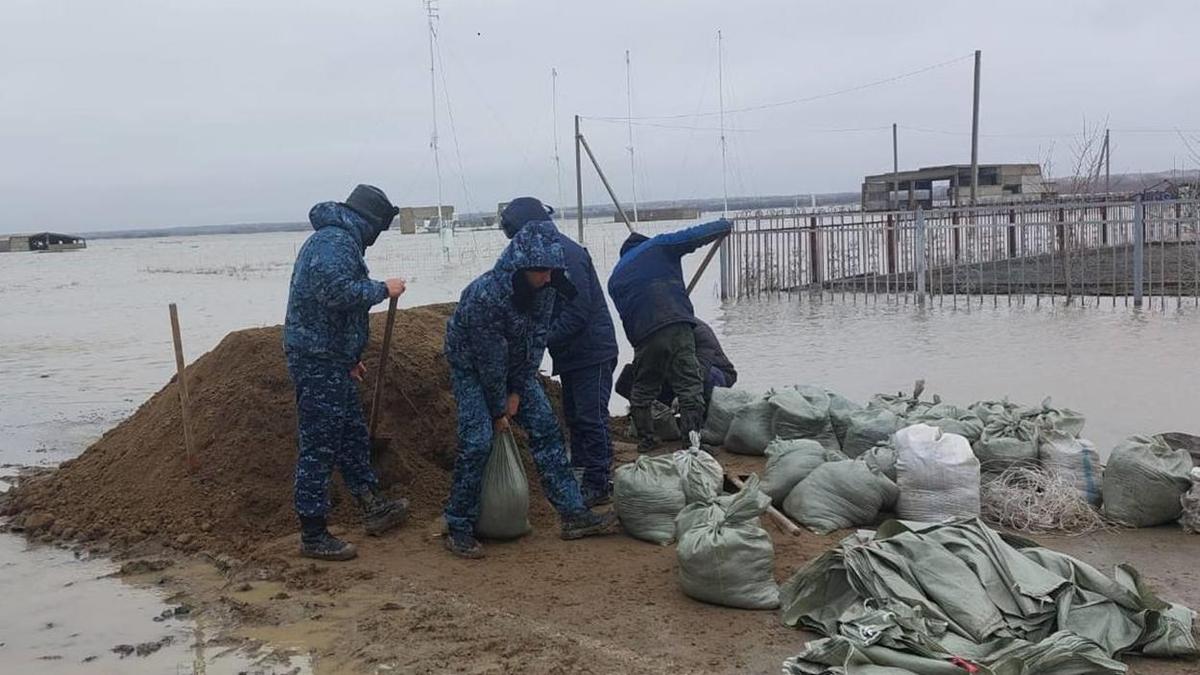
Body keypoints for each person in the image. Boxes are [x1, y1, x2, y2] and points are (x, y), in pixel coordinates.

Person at [442, 220, 619, 559]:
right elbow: (489, 360)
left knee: (547, 431)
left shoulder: (546, 287)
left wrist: (519, 391)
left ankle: (573, 514)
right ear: (521, 266)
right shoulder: (485, 296)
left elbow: (536, 341)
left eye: (552, 270)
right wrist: (498, 410)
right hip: (472, 368)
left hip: (513, 368)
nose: (548, 277)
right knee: (477, 441)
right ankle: (458, 523)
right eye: (542, 271)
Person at [283, 184, 411, 561]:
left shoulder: (339, 239)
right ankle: (313, 533)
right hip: (316, 359)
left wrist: (349, 356)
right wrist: (382, 289)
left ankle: (372, 504)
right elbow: (336, 292)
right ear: (370, 221)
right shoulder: (334, 241)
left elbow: (335, 309)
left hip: (331, 357)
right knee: (319, 443)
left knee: (352, 434)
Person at [499, 197, 619, 507]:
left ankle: (598, 481)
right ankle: (582, 476)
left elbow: (578, 311)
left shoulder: (565, 255)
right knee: (576, 417)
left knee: (591, 417)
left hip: (591, 350)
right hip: (573, 353)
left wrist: (540, 340)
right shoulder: (549, 253)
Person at [607, 219, 732, 450]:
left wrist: (640, 344)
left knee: (644, 387)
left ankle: (646, 440)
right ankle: (692, 440)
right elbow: (692, 236)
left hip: (644, 334)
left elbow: (626, 315)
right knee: (689, 385)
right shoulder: (658, 246)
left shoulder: (614, 277)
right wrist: (722, 225)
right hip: (677, 323)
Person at [615, 317, 738, 408]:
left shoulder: (699, 330)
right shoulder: (656, 333)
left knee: (707, 377)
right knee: (629, 377)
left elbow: (702, 369)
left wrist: (683, 396)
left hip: (715, 374)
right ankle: (653, 413)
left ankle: (701, 417)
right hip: (676, 377)